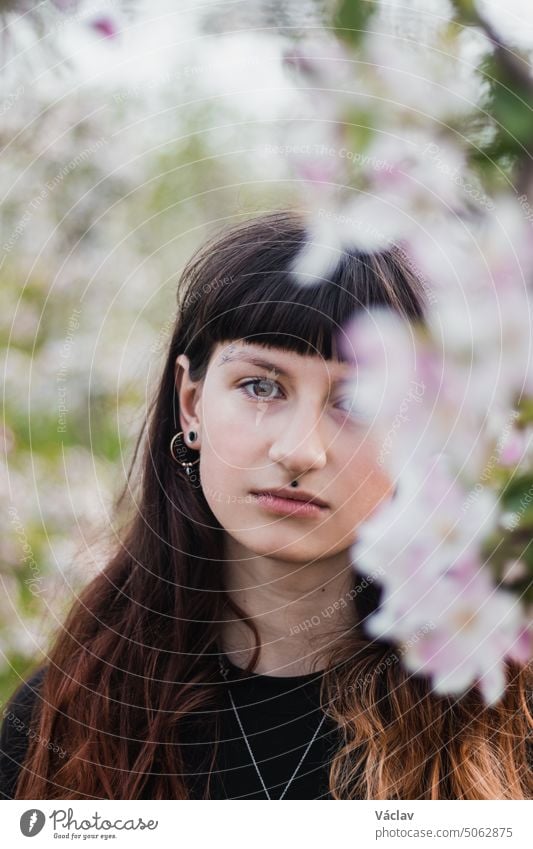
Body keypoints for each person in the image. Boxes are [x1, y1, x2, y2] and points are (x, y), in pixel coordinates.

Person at [1, 210, 531, 800]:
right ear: (192, 403)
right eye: (261, 386)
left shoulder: (504, 719)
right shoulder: (71, 714)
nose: (299, 450)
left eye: (356, 401)